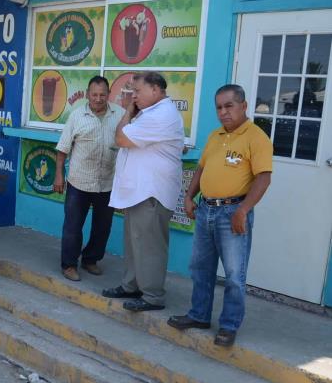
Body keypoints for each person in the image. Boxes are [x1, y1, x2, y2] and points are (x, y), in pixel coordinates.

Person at [168, 85, 272, 347]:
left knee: (235, 274)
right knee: (200, 268)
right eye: (219, 107)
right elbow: (202, 169)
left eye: (229, 106)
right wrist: (189, 197)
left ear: (243, 106)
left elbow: (263, 178)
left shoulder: (256, 137)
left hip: (233, 213)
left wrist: (243, 210)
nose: (223, 112)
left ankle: (228, 325)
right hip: (206, 210)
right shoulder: (215, 136)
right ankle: (199, 315)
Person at [102, 72, 184, 311]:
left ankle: (152, 296)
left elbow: (121, 139)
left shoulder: (161, 115)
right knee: (134, 243)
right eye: (132, 92)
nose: (133, 96)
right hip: (139, 192)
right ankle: (131, 286)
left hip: (151, 193)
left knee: (149, 246)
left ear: (156, 90)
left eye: (137, 91)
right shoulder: (149, 113)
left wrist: (128, 112)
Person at [53, 76, 125, 281]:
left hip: (107, 182)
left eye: (103, 94)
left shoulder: (120, 115)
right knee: (73, 227)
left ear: (109, 94)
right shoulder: (77, 116)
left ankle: (90, 259)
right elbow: (63, 149)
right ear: (87, 94)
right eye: (94, 94)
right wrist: (59, 174)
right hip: (79, 182)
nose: (98, 99)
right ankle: (68, 264)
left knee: (103, 228)